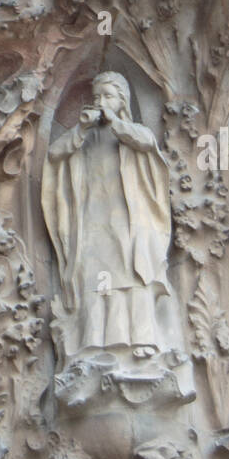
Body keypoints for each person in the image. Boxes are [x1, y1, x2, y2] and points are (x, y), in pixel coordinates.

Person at [41, 72, 179, 365]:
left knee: (132, 275)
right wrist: (80, 129)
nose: (101, 102)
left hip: (129, 220)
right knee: (93, 277)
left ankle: (142, 340)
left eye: (108, 96)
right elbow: (54, 154)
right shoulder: (85, 136)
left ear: (122, 101)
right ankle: (93, 342)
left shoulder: (133, 133)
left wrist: (115, 122)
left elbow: (144, 142)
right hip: (93, 220)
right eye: (97, 97)